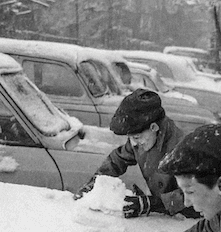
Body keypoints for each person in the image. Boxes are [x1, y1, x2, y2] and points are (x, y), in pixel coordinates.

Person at [74, 88, 200, 219]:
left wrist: (154, 203)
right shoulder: (144, 139)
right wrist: (93, 183)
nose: (133, 143)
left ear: (153, 127)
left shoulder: (182, 148)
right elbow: (117, 160)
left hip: (190, 219)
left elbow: (196, 192)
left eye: (136, 137)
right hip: (165, 218)